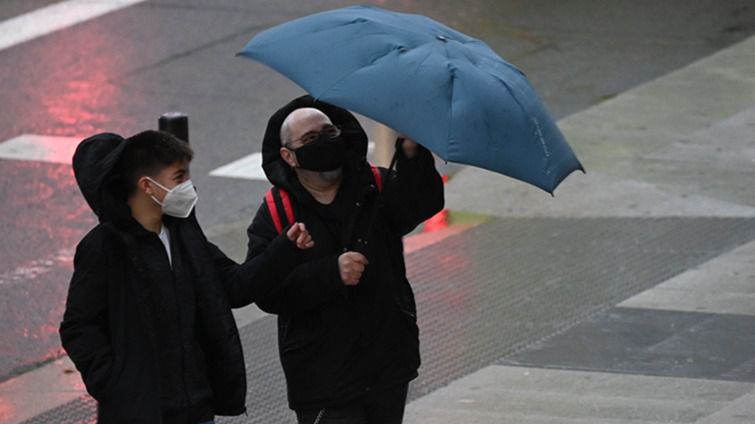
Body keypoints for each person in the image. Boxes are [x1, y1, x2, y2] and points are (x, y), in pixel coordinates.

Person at [59, 130, 314, 423]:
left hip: (196, 409)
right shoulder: (104, 248)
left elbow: (233, 286)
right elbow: (79, 327)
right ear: (147, 186)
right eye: (179, 177)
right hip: (140, 414)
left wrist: (284, 250)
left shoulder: (184, 235)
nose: (188, 186)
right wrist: (116, 385)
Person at [246, 95, 444, 424]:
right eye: (310, 139)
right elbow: (263, 290)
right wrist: (330, 274)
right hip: (323, 379)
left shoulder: (376, 185)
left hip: (387, 366)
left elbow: (421, 203)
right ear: (288, 155)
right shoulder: (277, 211)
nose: (323, 142)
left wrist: (412, 156)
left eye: (329, 132)